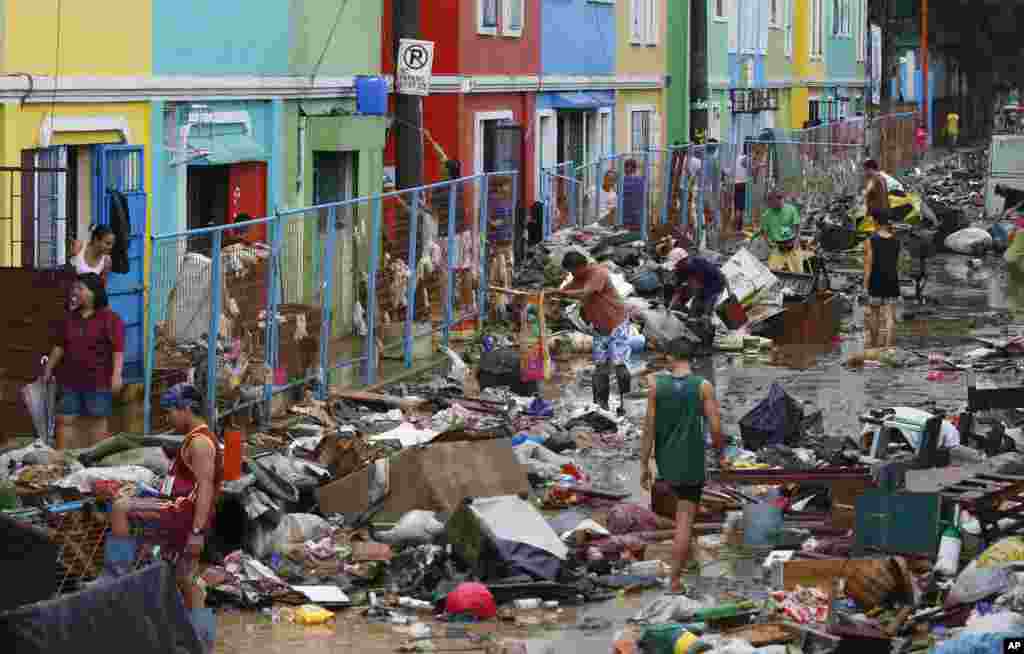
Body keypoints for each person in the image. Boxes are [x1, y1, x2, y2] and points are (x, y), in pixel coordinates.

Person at [105, 383, 223, 649]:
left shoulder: (201, 442)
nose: (168, 418)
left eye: (170, 411)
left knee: (120, 507)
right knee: (186, 577)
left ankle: (116, 574)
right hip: (182, 512)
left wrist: (196, 532)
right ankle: (202, 640)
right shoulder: (196, 438)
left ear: (186, 409)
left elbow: (205, 489)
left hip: (182, 515)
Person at [639, 337, 724, 593]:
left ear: (670, 358)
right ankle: (674, 582)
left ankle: (686, 565)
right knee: (685, 522)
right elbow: (716, 428)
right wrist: (720, 454)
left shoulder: (656, 385)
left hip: (666, 463)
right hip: (691, 463)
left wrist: (644, 463)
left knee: (678, 519)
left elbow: (648, 428)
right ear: (692, 358)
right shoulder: (703, 386)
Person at [43, 273, 125, 450]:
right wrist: (48, 368)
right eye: (74, 288)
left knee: (96, 420)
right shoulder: (69, 317)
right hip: (70, 379)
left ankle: (92, 460)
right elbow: (59, 346)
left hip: (98, 380)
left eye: (80, 288)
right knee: (65, 419)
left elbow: (118, 350)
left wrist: (116, 375)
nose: (75, 292)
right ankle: (63, 459)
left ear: (94, 292)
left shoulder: (111, 318)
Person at [550, 251, 631, 414]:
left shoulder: (598, 273)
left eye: (573, 271)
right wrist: (553, 293)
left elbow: (587, 291)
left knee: (619, 365)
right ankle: (600, 406)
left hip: (617, 325)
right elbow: (566, 289)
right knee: (600, 367)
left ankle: (625, 404)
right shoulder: (579, 276)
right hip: (599, 329)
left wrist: (562, 293)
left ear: (581, 266)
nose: (572, 275)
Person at [863, 208, 901, 349]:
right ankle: (888, 347)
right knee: (889, 315)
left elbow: (868, 264)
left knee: (874, 313)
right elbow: (895, 262)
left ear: (876, 222)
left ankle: (874, 346)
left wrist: (865, 285)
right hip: (892, 279)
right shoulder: (896, 241)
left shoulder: (871, 240)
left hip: (876, 280)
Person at [760, 189, 807, 273]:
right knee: (773, 272)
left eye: (780, 200)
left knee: (798, 272)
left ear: (781, 199)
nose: (771, 204)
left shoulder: (791, 210)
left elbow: (797, 227)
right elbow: (764, 231)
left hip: (792, 245)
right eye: (771, 202)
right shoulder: (767, 214)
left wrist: (796, 240)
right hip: (777, 246)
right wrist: (768, 242)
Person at [863, 159, 890, 223]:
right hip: (884, 211)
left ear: (870, 169)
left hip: (877, 212)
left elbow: (867, 192)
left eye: (865, 170)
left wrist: (864, 194)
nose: (865, 172)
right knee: (882, 231)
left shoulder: (874, 179)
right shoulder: (882, 178)